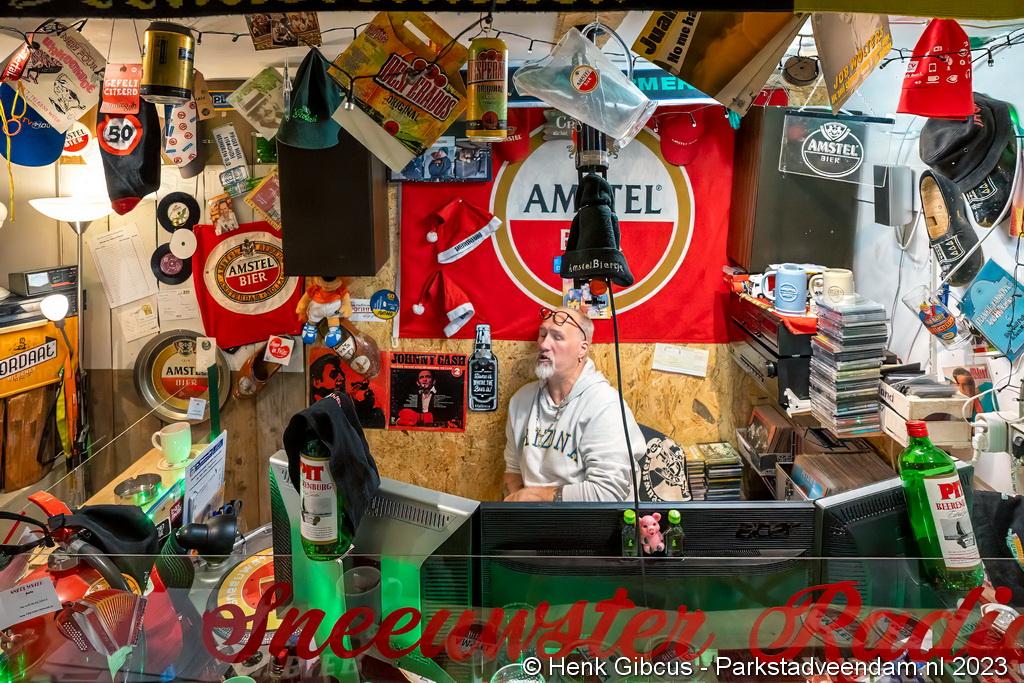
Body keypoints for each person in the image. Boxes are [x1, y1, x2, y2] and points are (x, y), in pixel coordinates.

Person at [503, 306, 645, 502]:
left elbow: (609, 493)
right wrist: (515, 507)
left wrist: (536, 496)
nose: (544, 344)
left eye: (557, 337)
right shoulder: (521, 400)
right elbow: (513, 470)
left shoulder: (605, 405)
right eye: (542, 335)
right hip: (532, 518)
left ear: (582, 349)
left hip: (590, 519)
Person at [394, 369, 459, 427]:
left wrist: (423, 417)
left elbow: (449, 414)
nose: (424, 379)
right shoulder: (412, 395)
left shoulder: (443, 394)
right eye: (421, 377)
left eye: (428, 377)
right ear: (417, 382)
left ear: (434, 381)